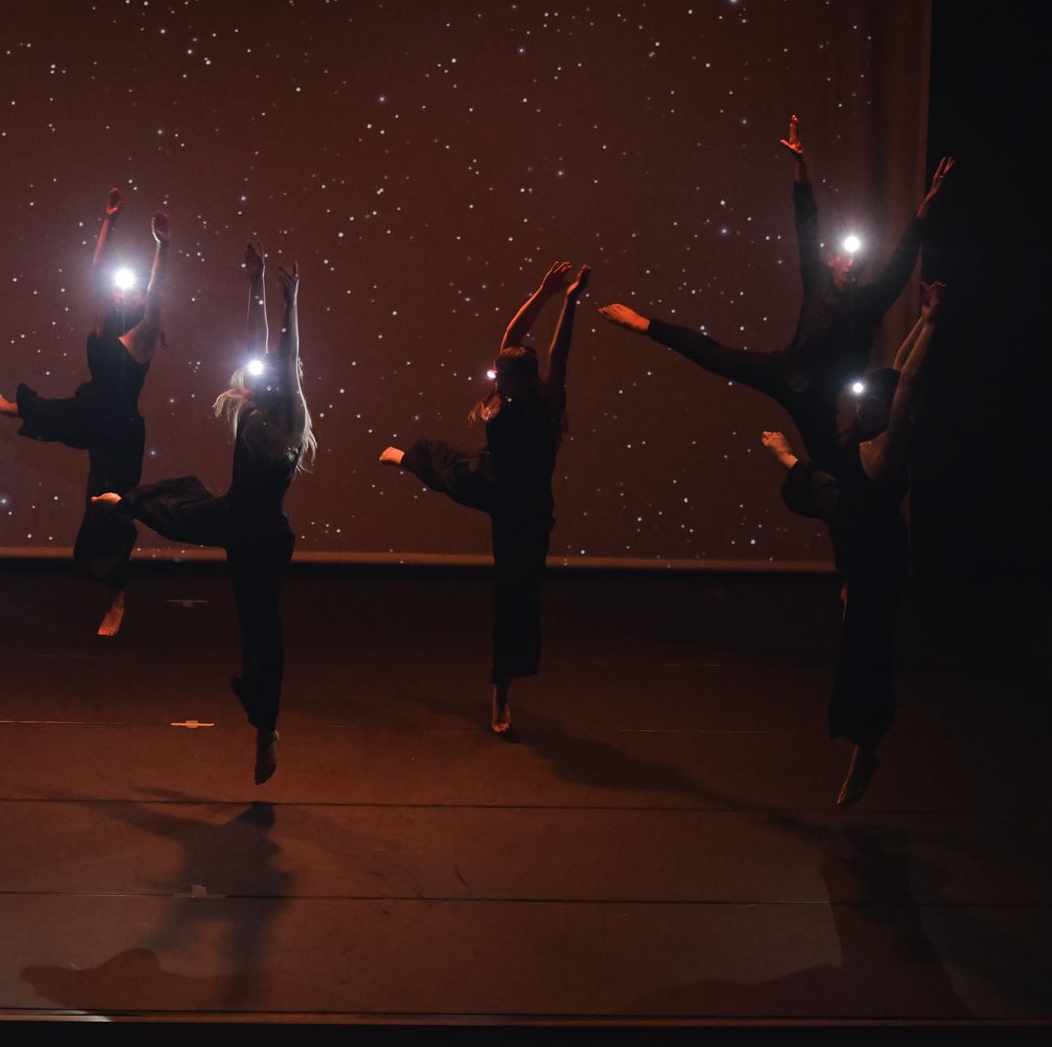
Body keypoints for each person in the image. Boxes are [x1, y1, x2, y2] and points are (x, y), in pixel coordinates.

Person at [599, 116, 952, 472]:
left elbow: (900, 264)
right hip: (784, 370)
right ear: (831, 261)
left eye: (857, 258)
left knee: (831, 465)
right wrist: (800, 166)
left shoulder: (872, 300)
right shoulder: (817, 280)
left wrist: (927, 206)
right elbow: (807, 226)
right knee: (714, 356)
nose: (851, 262)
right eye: (844, 256)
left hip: (821, 397)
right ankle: (644, 324)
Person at [94, 247, 312, 783]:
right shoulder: (255, 406)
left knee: (259, 628)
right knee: (184, 503)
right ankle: (129, 502)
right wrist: (255, 285)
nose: (251, 378)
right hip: (234, 512)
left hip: (261, 534)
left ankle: (267, 726)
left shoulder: (285, 415)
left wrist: (292, 303)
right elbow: (256, 347)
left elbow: (285, 353)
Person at [379, 261, 590, 736]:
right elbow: (530, 342)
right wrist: (553, 295)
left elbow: (558, 352)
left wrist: (565, 301)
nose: (496, 375)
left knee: (516, 600)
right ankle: (403, 458)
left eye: (503, 373)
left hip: (521, 509)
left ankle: (501, 690)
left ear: (514, 380)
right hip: (497, 484)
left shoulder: (536, 401)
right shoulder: (530, 391)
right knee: (444, 459)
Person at [760, 282, 944, 806]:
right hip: (855, 542)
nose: (859, 397)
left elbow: (907, 380)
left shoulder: (889, 442)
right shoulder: (861, 429)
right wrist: (918, 324)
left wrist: (932, 322)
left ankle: (866, 750)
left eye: (872, 395)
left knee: (866, 654)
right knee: (856, 638)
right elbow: (895, 367)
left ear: (886, 406)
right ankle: (865, 747)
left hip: (876, 549)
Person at [0, 188, 171, 635]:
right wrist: (109, 221)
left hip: (120, 431)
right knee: (54, 411)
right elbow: (97, 273)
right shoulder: (105, 325)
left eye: (137, 295)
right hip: (90, 409)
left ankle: (117, 597)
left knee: (109, 512)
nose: (130, 296)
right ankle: (14, 408)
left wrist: (163, 247)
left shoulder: (142, 338)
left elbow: (157, 293)